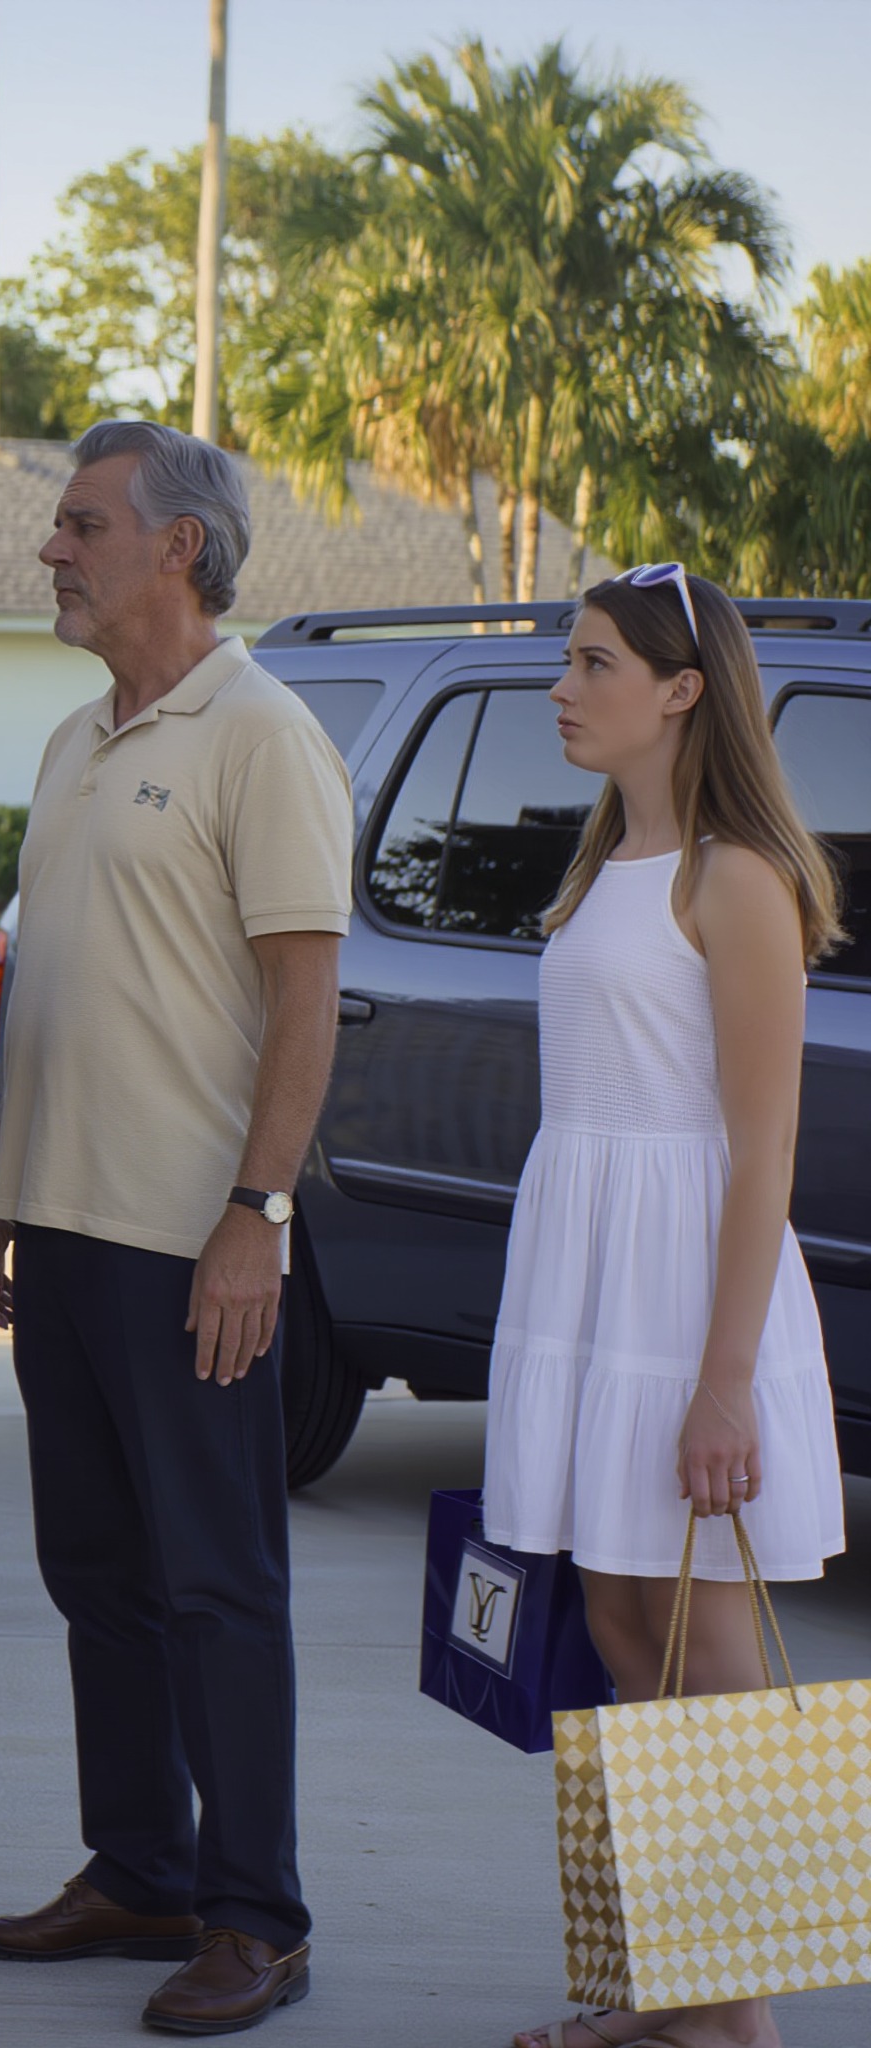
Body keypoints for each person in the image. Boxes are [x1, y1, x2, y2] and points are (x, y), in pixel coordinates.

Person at [0, 420, 350, 2036]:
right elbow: (54, 993)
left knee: (219, 1587)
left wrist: (257, 1215)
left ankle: (257, 1915)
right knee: (98, 1573)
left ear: (179, 547)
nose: (52, 551)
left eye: (81, 524)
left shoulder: (263, 735)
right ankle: (140, 1871)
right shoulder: (75, 741)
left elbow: (308, 995)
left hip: (195, 1248)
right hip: (60, 1229)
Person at [491, 567, 845, 2048]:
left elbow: (762, 1146)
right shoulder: (598, 871)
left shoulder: (734, 878)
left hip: (687, 1300)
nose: (563, 689)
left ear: (682, 689)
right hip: (586, 1282)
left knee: (705, 1650)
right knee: (627, 1622)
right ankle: (667, 1985)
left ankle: (736, 2017)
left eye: (592, 664)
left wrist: (722, 1386)